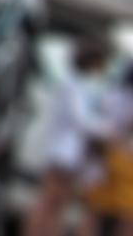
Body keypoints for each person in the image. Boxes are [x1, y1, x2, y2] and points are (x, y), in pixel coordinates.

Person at [27, 40, 112, 236]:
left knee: (57, 203)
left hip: (68, 153)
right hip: (63, 152)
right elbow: (82, 120)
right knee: (51, 201)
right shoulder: (73, 85)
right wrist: (108, 130)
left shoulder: (80, 85)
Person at [84, 66, 133, 236]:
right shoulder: (118, 97)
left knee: (96, 212)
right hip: (119, 158)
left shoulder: (112, 95)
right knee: (125, 216)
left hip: (108, 157)